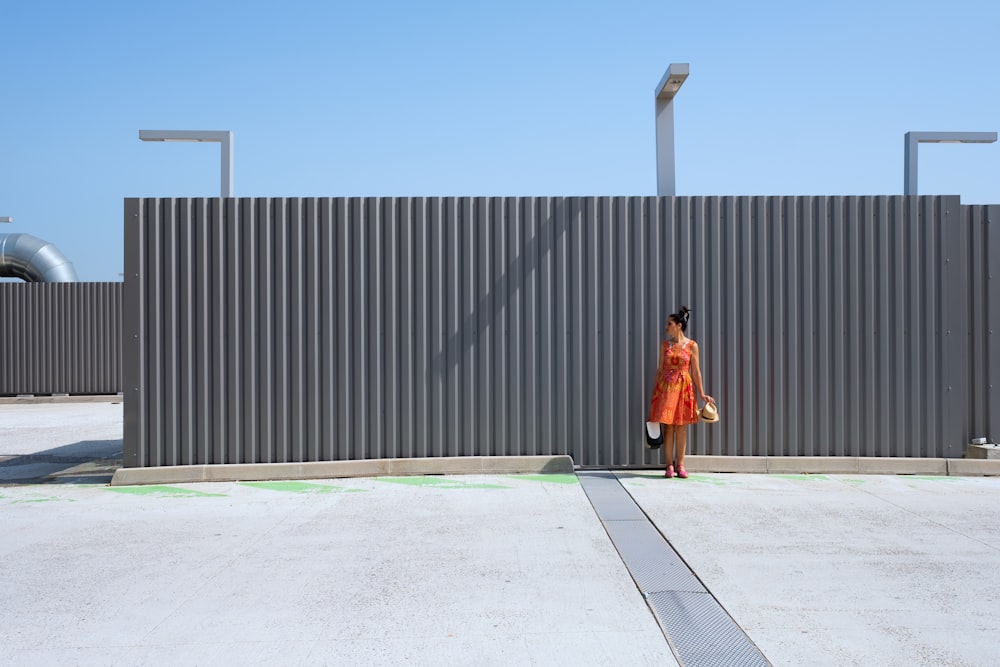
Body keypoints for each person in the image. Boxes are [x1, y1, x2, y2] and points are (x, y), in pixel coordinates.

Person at [646, 306, 714, 478]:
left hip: (684, 389)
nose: (666, 327)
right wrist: (656, 394)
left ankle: (680, 465)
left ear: (678, 325)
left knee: (681, 428)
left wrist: (702, 394)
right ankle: (669, 465)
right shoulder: (665, 345)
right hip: (667, 390)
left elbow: (696, 371)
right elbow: (660, 370)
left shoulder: (692, 345)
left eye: (669, 324)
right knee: (668, 428)